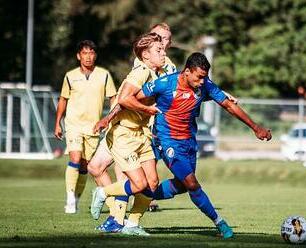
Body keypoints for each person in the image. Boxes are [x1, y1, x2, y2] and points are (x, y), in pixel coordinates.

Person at [120, 52, 272, 238]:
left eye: (205, 77)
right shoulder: (165, 83)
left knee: (183, 185)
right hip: (167, 141)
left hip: (189, 142)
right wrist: (126, 116)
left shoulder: (205, 85)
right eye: (199, 77)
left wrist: (255, 127)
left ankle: (133, 191)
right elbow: (132, 97)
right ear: (187, 72)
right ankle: (220, 222)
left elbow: (228, 105)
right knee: (192, 183)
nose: (202, 81)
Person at [90, 32, 167, 235]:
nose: (164, 52)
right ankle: (103, 193)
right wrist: (148, 110)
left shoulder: (158, 73)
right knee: (138, 183)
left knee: (152, 183)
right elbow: (124, 99)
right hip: (124, 135)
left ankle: (132, 224)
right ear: (145, 55)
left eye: (163, 48)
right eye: (158, 50)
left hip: (142, 135)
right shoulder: (140, 72)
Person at [54, 40, 117, 214]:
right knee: (75, 159)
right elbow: (63, 99)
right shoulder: (70, 76)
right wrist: (57, 122)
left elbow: (113, 98)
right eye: (84, 53)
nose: (88, 57)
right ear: (78, 56)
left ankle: (76, 200)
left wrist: (109, 119)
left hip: (93, 128)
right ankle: (69, 199)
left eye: (91, 53)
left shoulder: (104, 75)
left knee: (84, 166)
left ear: (95, 55)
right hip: (73, 124)